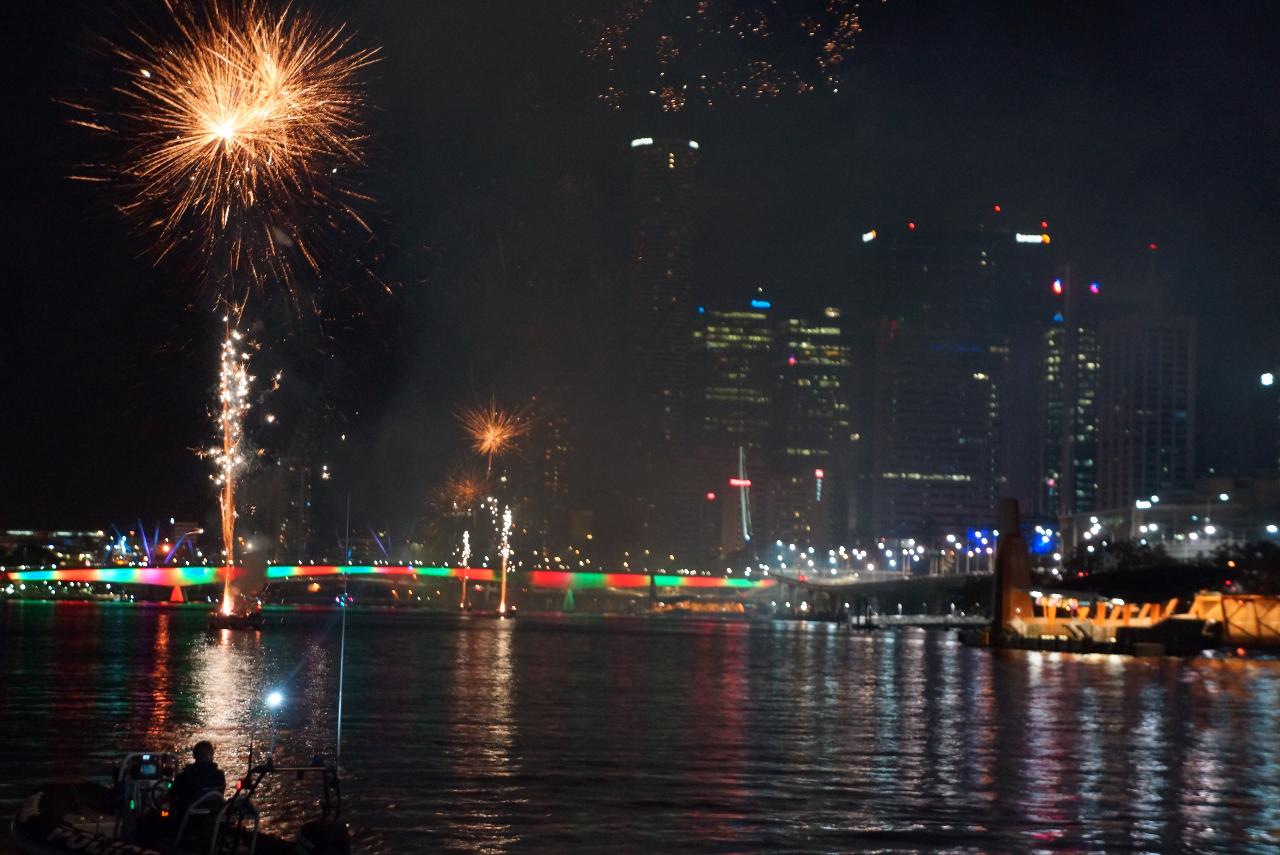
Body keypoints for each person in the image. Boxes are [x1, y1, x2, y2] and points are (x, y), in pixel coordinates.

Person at [170, 741, 227, 821]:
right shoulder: (220, 775)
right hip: (213, 816)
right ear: (212, 755)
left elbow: (173, 796)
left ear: (194, 755)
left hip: (188, 819)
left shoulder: (184, 776)